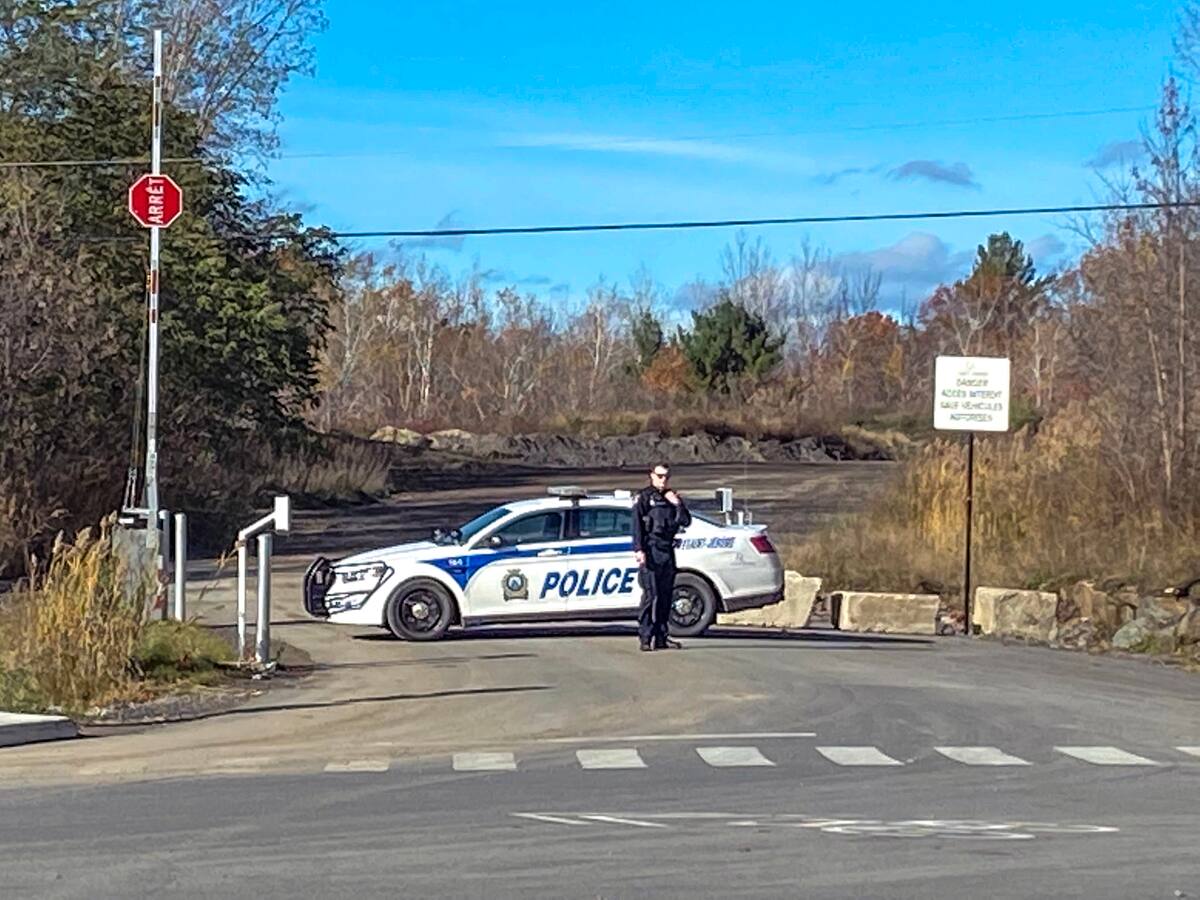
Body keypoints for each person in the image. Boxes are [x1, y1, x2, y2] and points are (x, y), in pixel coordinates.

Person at [632, 462, 691, 651]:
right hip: (651, 550)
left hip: (667, 551)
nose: (662, 480)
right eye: (659, 476)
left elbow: (686, 521)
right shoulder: (644, 498)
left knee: (666, 595)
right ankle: (645, 637)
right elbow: (637, 526)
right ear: (652, 476)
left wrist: (678, 504)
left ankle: (662, 637)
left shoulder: (671, 498)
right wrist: (638, 549)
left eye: (666, 476)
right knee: (651, 595)